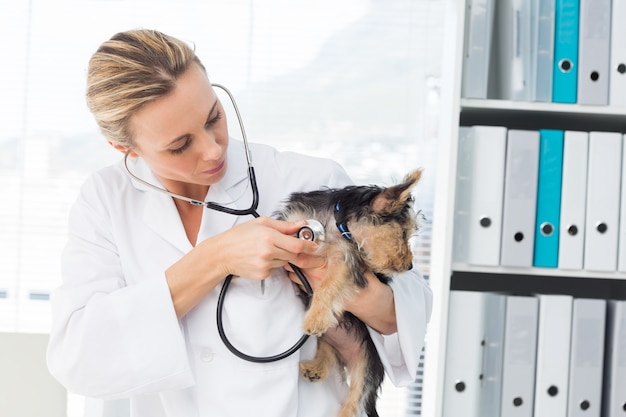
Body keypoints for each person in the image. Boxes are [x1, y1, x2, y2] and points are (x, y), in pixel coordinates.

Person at [46, 29, 433, 417]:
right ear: (125, 148)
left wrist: (341, 281)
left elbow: (406, 313)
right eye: (180, 145)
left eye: (213, 117)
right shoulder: (106, 200)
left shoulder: (304, 179)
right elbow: (80, 359)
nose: (213, 149)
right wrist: (214, 259)